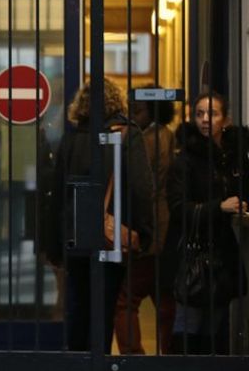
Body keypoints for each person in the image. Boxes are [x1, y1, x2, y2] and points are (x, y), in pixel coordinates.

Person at [50, 79, 153, 353]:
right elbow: (142, 188)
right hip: (110, 239)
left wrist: (54, 246)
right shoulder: (127, 134)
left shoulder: (71, 138)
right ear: (116, 101)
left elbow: (56, 192)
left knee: (78, 308)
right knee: (103, 310)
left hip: (76, 240)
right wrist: (143, 233)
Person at [167, 92, 249, 355]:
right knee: (188, 325)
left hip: (223, 251)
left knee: (216, 326)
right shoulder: (185, 160)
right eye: (200, 114)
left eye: (212, 114)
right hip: (194, 250)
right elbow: (179, 208)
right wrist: (219, 207)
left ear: (225, 119)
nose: (205, 120)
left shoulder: (232, 156)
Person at [113, 88, 177, 354]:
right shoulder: (170, 136)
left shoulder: (145, 140)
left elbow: (140, 189)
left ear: (151, 112)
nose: (131, 116)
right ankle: (172, 354)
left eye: (137, 110)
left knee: (125, 300)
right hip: (168, 229)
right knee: (165, 299)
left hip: (149, 229)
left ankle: (132, 358)